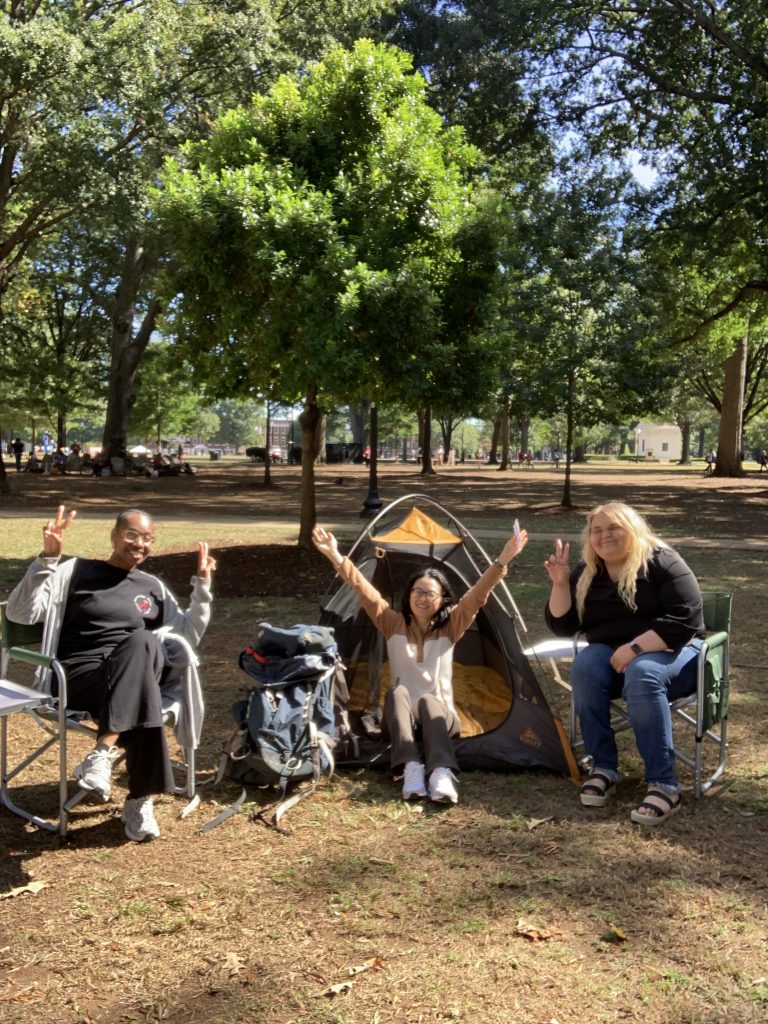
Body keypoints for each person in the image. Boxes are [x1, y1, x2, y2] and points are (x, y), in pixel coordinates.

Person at [6, 505, 216, 842]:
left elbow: (187, 634)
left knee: (144, 643)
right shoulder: (76, 571)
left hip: (132, 677)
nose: (139, 544)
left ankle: (102, 756)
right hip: (78, 678)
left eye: (148, 539)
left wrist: (202, 588)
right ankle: (139, 799)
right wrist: (46, 560)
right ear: (115, 536)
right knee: (144, 682)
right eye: (132, 535)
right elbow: (20, 613)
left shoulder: (152, 586)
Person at [312, 523, 528, 805]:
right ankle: (411, 767)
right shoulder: (392, 622)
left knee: (428, 700)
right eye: (417, 591)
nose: (422, 598)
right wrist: (336, 556)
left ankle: (440, 772)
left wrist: (502, 560)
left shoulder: (451, 626)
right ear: (409, 595)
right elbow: (362, 588)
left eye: (430, 593)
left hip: (441, 720)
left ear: (442, 600)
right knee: (396, 693)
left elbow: (477, 595)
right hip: (401, 723)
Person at [544, 501, 704, 826]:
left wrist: (635, 647)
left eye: (613, 527)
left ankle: (664, 783)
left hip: (676, 654)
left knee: (643, 673)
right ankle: (603, 766)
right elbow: (564, 626)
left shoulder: (661, 560)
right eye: (597, 530)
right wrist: (561, 584)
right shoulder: (589, 572)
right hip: (615, 662)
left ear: (632, 528)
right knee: (586, 667)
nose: (605, 536)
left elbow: (686, 618)